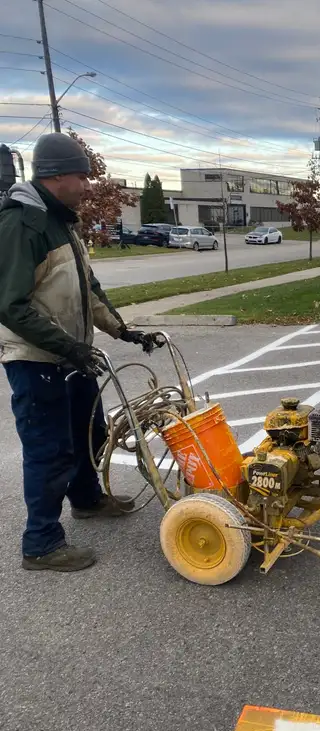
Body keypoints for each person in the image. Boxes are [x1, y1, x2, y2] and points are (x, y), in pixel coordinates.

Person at [0, 132, 156, 573]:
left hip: (73, 356)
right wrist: (68, 347)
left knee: (91, 434)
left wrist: (124, 332)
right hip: (37, 361)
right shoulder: (21, 224)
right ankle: (41, 544)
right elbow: (9, 305)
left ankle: (87, 500)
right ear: (55, 176)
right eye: (82, 176)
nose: (89, 185)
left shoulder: (62, 222)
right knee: (49, 450)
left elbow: (88, 289)